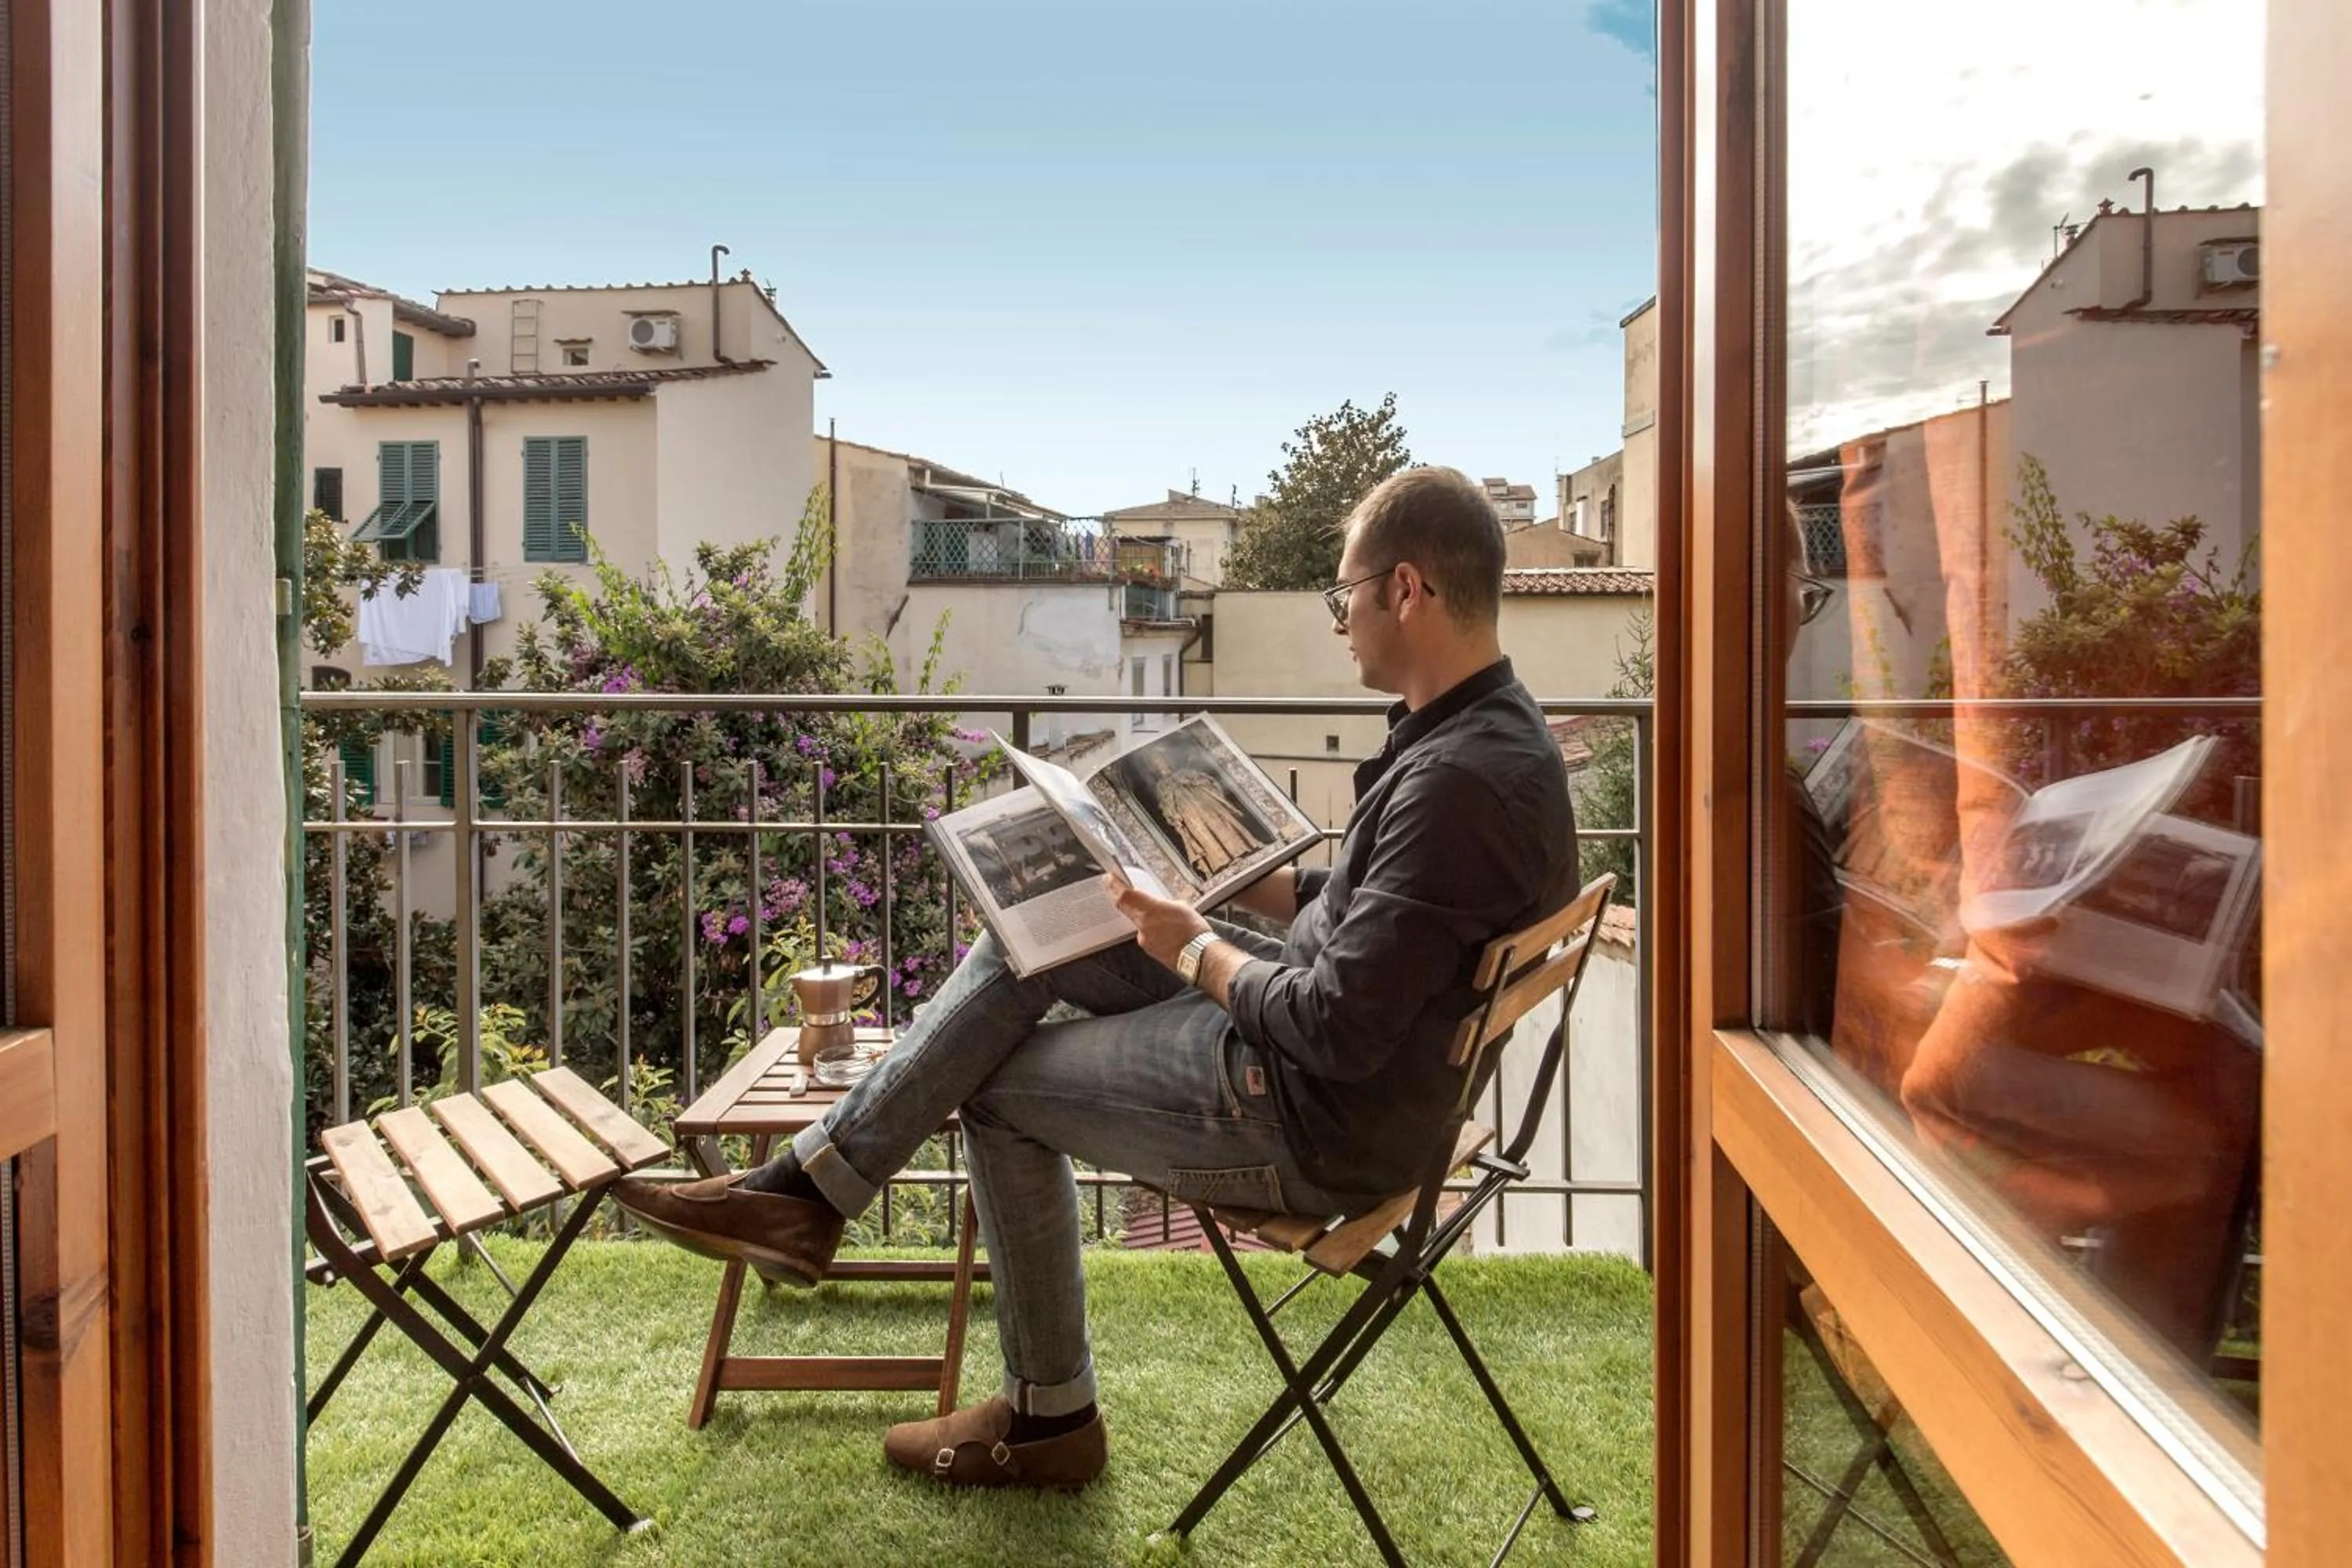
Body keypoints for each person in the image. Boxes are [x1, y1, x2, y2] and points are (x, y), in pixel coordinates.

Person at [614, 465, 1579, 1490]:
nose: (1340, 623)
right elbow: (1368, 914)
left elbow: (1336, 1026)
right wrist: (1218, 872)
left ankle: (1045, 1412)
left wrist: (1190, 946)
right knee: (1039, 931)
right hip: (1331, 1064)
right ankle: (808, 1193)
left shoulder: (1455, 785)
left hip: (1308, 1110)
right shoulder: (1489, 738)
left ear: (1407, 590)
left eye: (1344, 596)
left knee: (994, 1087)